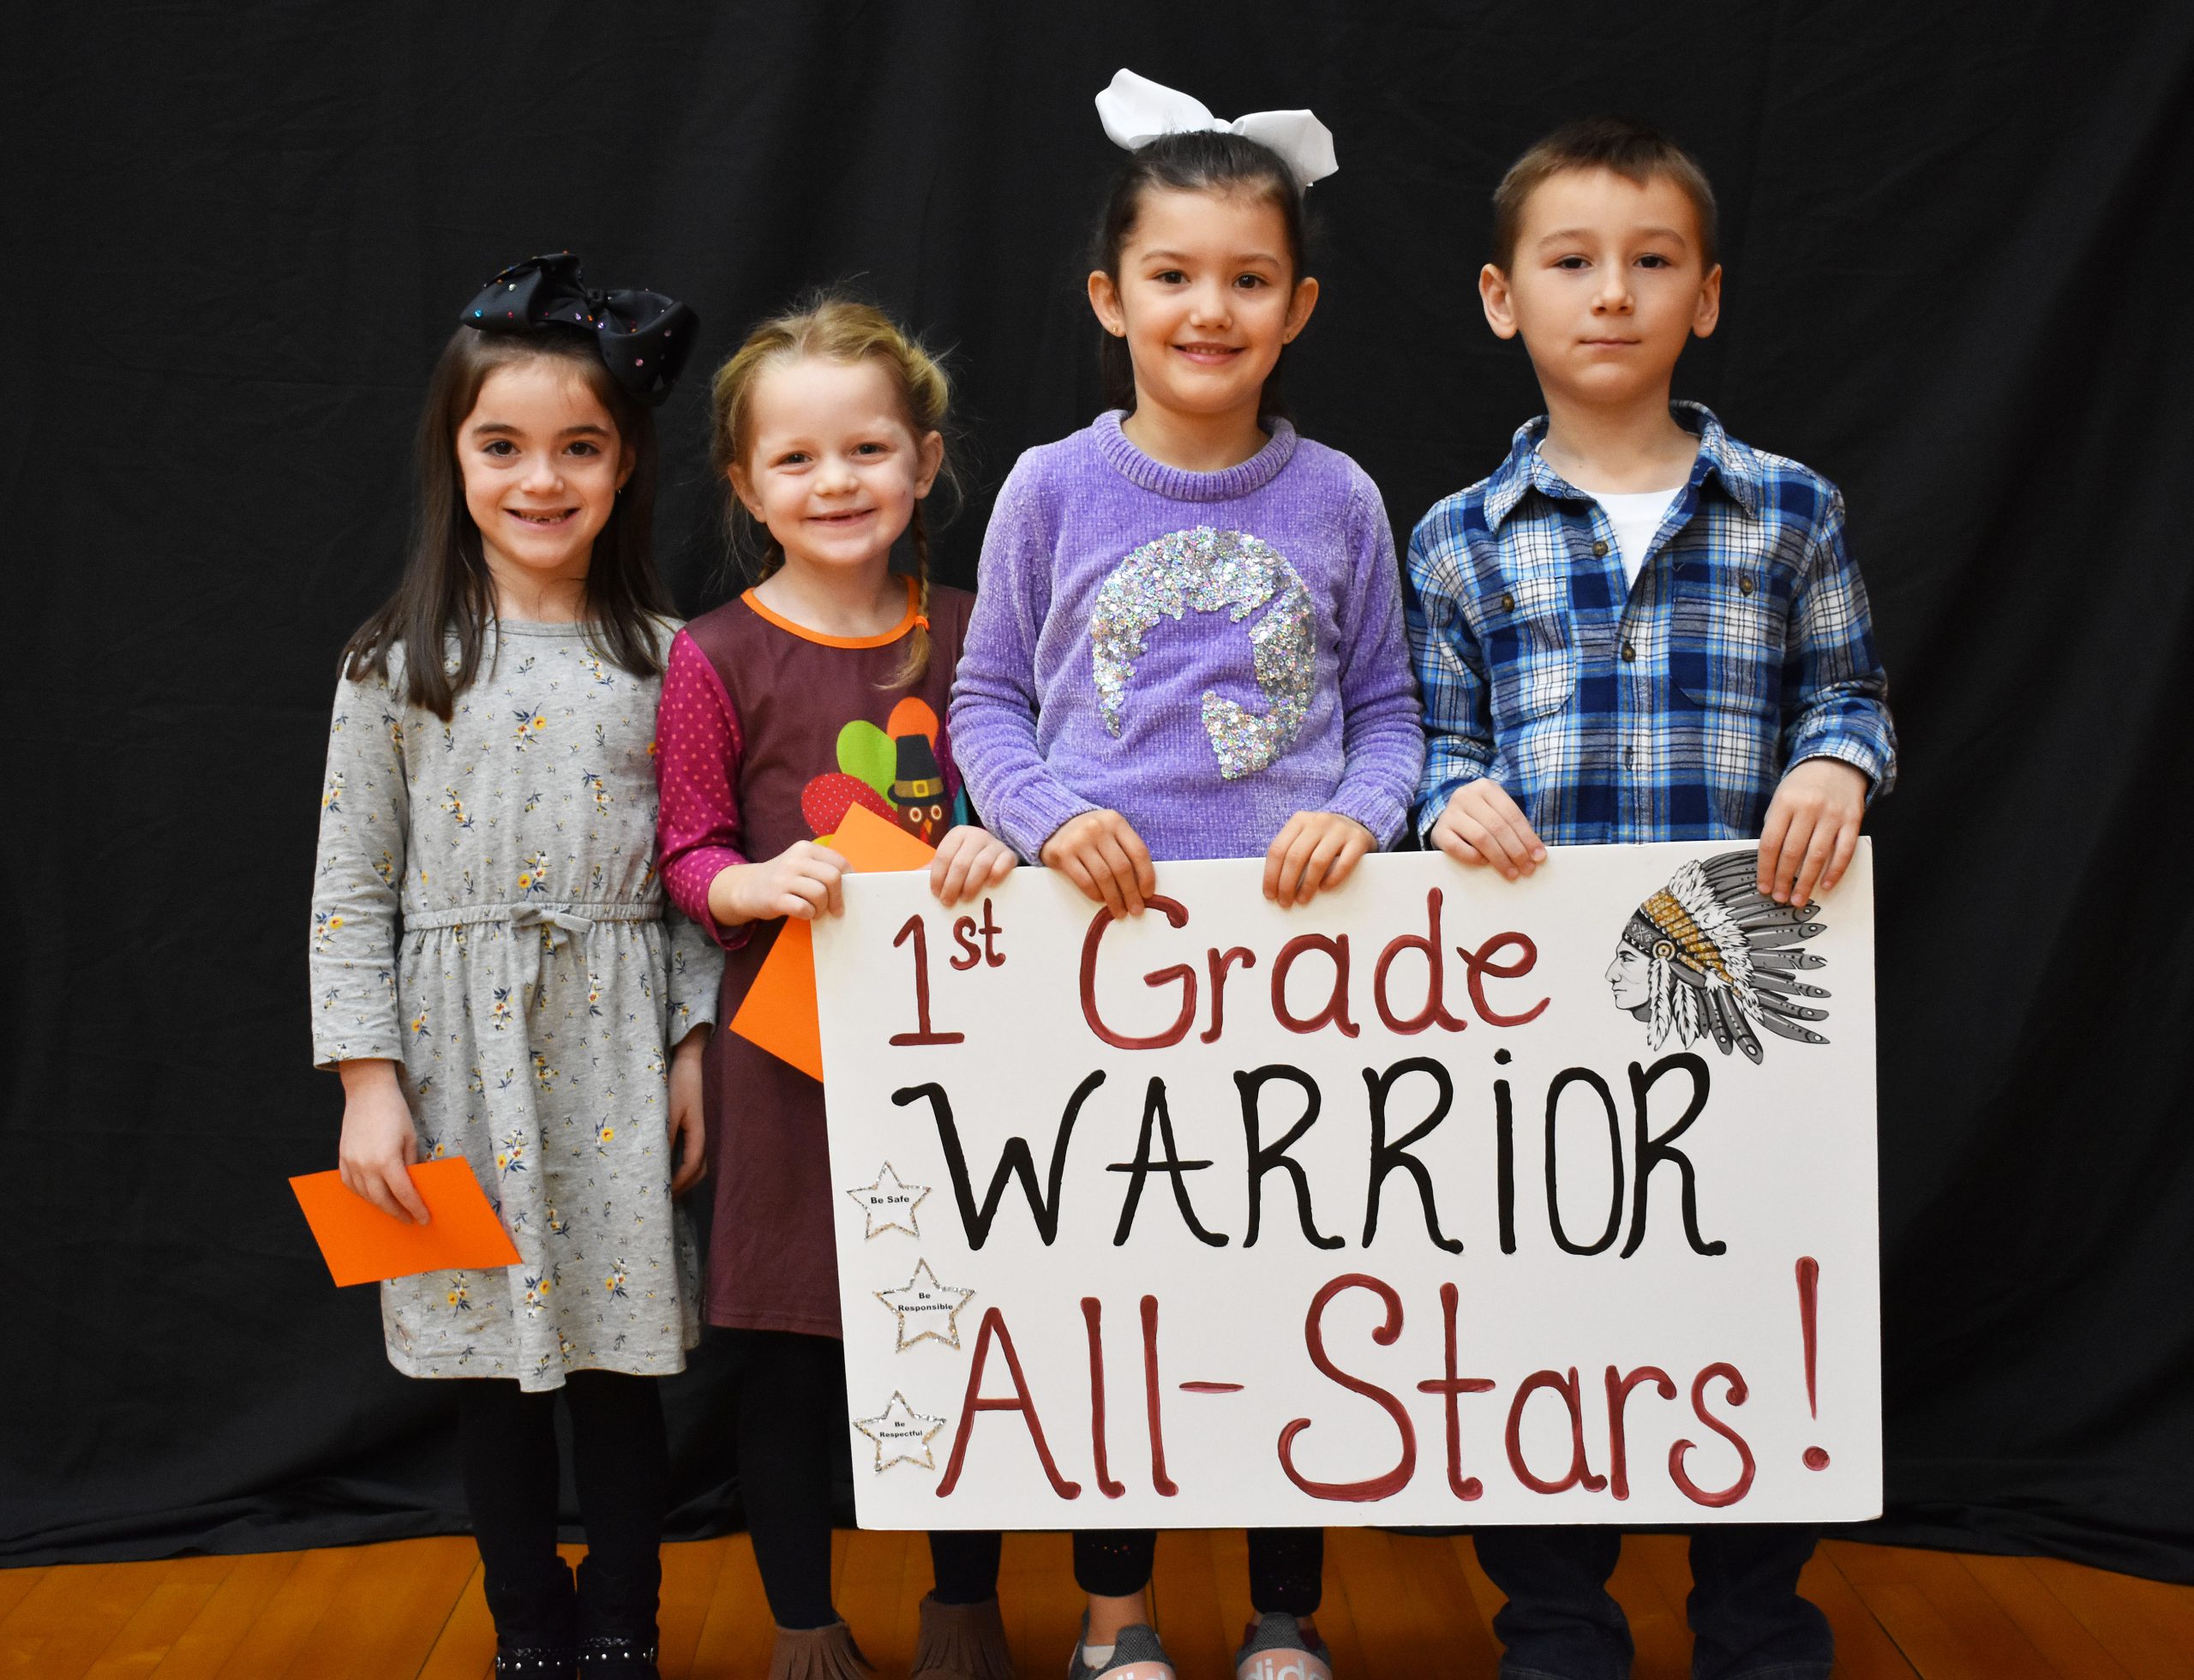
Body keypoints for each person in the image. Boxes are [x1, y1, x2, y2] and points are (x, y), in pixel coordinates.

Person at [1407, 117, 1897, 1680]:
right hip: (1536, 1015)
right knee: (1545, 1315)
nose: (1610, 293)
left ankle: (1756, 1615)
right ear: (1504, 299)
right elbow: (1438, 740)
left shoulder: (1787, 509)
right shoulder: (1457, 544)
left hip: (1747, 1005)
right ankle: (1556, 1619)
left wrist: (1837, 765)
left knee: (1747, 1299)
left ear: (1706, 296)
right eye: (1571, 262)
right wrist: (1443, 797)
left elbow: (1853, 693)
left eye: (1651, 261)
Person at [949, 69, 1424, 1680]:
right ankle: (1117, 1619)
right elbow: (988, 700)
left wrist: (1360, 816)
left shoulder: (1342, 496)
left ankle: (1285, 1614)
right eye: (1173, 276)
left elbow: (1388, 715)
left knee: (1287, 1282)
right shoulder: (1050, 488)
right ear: (1112, 296)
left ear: (1296, 306)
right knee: (1118, 1297)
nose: (1206, 309)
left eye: (1245, 280)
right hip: (1102, 964)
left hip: (1293, 968)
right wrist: (1035, 821)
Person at [310, 253, 722, 1680]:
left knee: (616, 1369)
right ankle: (525, 1627)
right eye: (504, 446)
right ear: (456, 457)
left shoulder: (673, 664)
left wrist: (692, 1047)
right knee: (485, 1372)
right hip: (450, 1063)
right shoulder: (395, 665)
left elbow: (689, 878)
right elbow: (350, 890)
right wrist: (369, 1081)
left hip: (612, 1050)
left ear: (625, 466)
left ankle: (623, 1621)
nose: (540, 479)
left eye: (579, 449)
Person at [652, 296, 1019, 1680]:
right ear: (747, 486)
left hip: (967, 1053)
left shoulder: (984, 628)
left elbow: (1030, 796)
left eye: (866, 450)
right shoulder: (714, 652)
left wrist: (1007, 836)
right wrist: (746, 886)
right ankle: (804, 1622)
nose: (836, 483)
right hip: (785, 1057)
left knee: (962, 1323)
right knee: (793, 1351)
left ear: (924, 461)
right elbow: (685, 848)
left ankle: (964, 1602)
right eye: (796, 462)